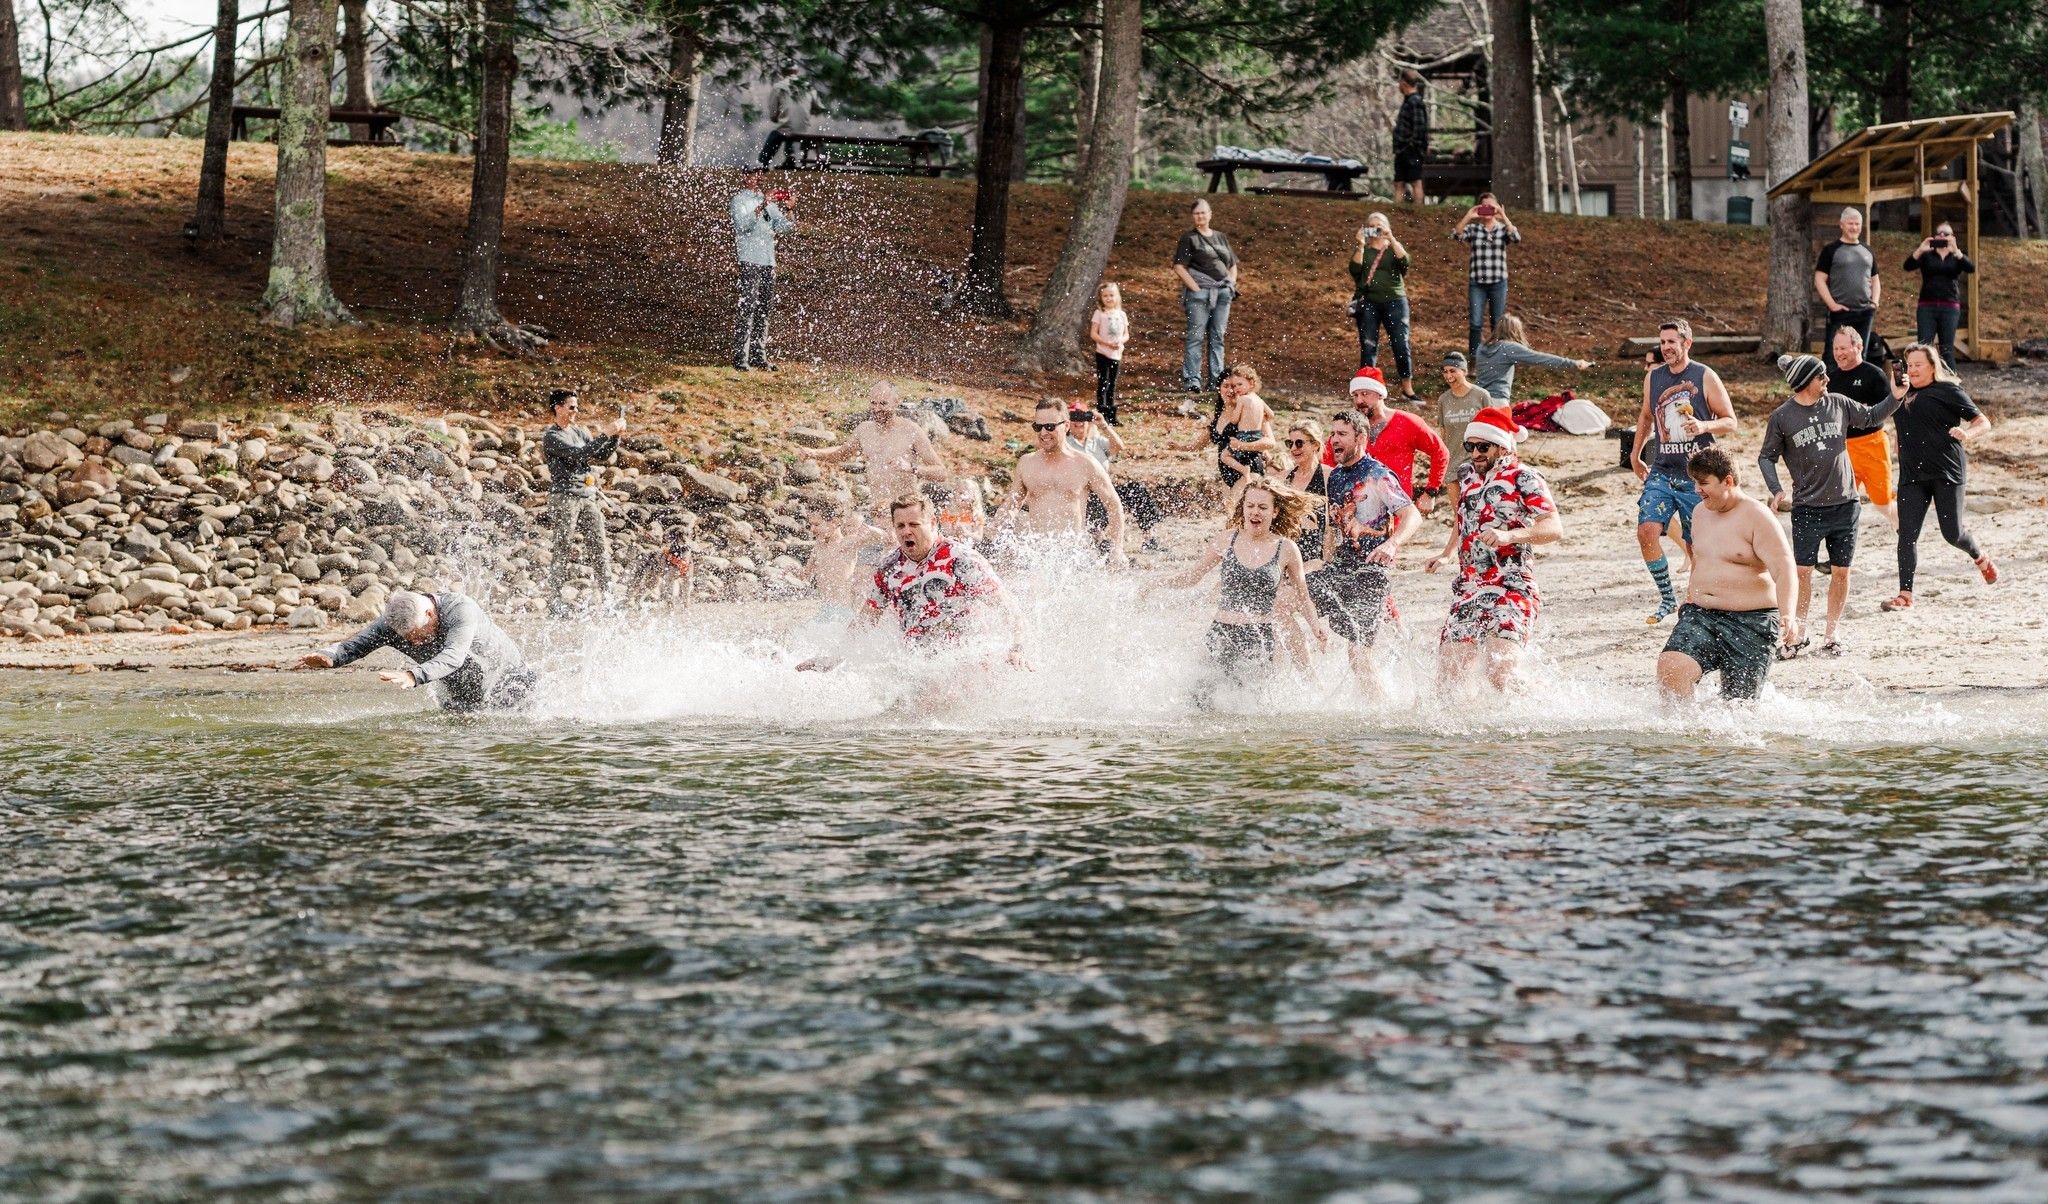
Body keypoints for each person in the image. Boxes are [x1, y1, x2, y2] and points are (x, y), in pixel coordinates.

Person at [1755, 353, 1901, 657]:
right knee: (1803, 572)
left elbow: (1871, 416)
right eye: (1822, 376)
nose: (1828, 380)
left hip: (1846, 504)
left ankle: (1831, 635)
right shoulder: (1782, 416)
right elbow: (1766, 457)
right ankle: (1798, 634)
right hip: (1807, 508)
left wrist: (1896, 396)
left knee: (1841, 572)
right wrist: (1776, 489)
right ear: (1807, 381)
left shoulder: (1838, 403)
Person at [1424, 407, 1562, 691]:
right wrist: (1447, 554)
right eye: (1470, 447)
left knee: (1501, 674)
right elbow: (1463, 519)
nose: (1475, 454)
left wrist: (1510, 536)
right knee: (1447, 681)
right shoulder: (1467, 476)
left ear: (1502, 446)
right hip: (1469, 588)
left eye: (1483, 447)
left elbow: (1553, 528)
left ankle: (1547, 705)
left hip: (1512, 585)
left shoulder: (1524, 477)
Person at [1143, 479, 1315, 705]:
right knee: (1199, 703)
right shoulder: (1227, 539)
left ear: (1275, 512)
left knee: (1250, 709)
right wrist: (1156, 583)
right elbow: (1192, 576)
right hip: (1220, 634)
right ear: (1243, 508)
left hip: (1258, 638)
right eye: (1250, 506)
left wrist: (1316, 627)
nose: (1255, 512)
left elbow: (1304, 597)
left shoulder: (1286, 548)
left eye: (1263, 507)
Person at [823, 492, 1029, 670]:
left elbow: (1006, 605)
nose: (906, 531)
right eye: (900, 526)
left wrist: (1017, 647)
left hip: (966, 660)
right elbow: (865, 620)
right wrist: (834, 657)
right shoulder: (889, 568)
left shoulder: (960, 559)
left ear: (932, 523)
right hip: (919, 665)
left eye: (914, 524)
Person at [1656, 449, 1800, 703]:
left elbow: (1784, 568)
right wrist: (1691, 595)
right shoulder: (1700, 512)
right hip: (1701, 615)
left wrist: (1788, 614)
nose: (1697, 489)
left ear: (1728, 481)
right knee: (1672, 668)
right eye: (1695, 482)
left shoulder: (1757, 516)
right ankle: (1684, 729)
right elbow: (1701, 558)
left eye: (1703, 483)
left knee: (1737, 709)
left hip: (1751, 623)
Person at [1632, 318, 1737, 624]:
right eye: (1662, 342)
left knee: (1696, 545)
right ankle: (1667, 597)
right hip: (1663, 469)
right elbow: (1646, 416)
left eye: (1671, 342)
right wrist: (1635, 454)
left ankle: (1693, 601)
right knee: (1646, 531)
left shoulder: (1704, 376)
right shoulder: (1654, 376)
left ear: (1687, 343)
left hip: (1698, 474)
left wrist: (1703, 425)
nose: (1666, 347)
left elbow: (1730, 421)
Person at [1306, 411, 1421, 685]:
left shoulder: (1377, 474)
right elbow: (1334, 529)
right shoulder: (1335, 476)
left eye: (1342, 434)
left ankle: (1381, 708)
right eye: (1332, 434)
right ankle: (1308, 683)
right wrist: (1324, 559)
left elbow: (1412, 515)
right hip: (1340, 568)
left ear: (1360, 438)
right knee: (1286, 599)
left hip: (1371, 574)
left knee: (1358, 657)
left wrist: (1392, 544)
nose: (1334, 440)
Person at [1882, 343, 1998, 611]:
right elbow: (1902, 421)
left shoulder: (1948, 391)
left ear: (1932, 367)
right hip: (1912, 474)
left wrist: (1967, 434)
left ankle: (1979, 556)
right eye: (1909, 365)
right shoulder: (1900, 393)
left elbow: (1983, 422)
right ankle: (1905, 595)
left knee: (1952, 533)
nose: (1912, 370)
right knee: (1906, 535)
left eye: (1918, 365)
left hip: (1946, 471)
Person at [297, 590, 536, 713]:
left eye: (418, 634)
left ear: (430, 614)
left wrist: (414, 675)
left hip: (510, 682)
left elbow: (453, 657)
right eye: (408, 639)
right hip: (463, 691)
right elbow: (354, 646)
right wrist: (329, 657)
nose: (417, 643)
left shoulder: (461, 610)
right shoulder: (393, 623)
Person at [993, 400, 1128, 566]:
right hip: (1037, 556)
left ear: (1066, 426)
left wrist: (1116, 549)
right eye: (1038, 427)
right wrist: (995, 533)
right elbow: (1011, 505)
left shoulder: (1086, 464)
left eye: (1050, 427)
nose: (1043, 433)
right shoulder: (1026, 463)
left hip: (1073, 557)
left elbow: (1114, 505)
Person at [814, 381, 949, 518]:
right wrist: (812, 453)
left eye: (883, 404)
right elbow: (840, 454)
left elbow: (941, 473)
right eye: (873, 403)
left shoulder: (911, 431)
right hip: (878, 511)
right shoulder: (864, 430)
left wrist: (911, 468)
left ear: (896, 402)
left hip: (905, 513)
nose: (877, 409)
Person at [541, 388, 623, 608]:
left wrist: (615, 436)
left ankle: (608, 600)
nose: (575, 411)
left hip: (587, 497)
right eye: (571, 407)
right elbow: (580, 454)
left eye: (576, 407)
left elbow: (601, 455)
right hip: (564, 498)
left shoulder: (580, 432)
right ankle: (555, 601)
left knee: (599, 546)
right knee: (563, 547)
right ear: (558, 408)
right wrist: (606, 433)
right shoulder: (552, 437)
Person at [1348, 364, 1448, 515]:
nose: (1359, 400)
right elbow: (1329, 458)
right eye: (1355, 395)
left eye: (1364, 394)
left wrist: (1431, 492)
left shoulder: (1407, 422)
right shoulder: (1350, 426)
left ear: (1380, 394)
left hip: (1397, 511)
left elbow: (1440, 452)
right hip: (1359, 510)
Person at [1826, 326, 1899, 528]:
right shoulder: (1831, 379)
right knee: (1840, 502)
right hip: (1842, 448)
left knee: (1883, 502)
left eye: (1843, 348)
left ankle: (1904, 530)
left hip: (1873, 445)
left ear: (1858, 347)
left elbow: (1895, 407)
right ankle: (1840, 544)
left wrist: (1901, 436)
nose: (1838, 353)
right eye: (1835, 349)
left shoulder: (1874, 375)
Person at [1068, 408, 1164, 553]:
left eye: (1082, 417)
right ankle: (1100, 540)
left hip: (1105, 488)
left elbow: (1119, 446)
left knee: (1136, 490)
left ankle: (1149, 538)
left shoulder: (1096, 441)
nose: (1079, 422)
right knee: (1092, 499)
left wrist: (1103, 425)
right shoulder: (1066, 444)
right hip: (1083, 492)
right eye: (1074, 418)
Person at [730, 167, 796, 372]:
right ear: (745, 177)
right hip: (749, 260)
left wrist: (790, 209)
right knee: (747, 308)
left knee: (763, 310)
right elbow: (743, 226)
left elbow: (785, 228)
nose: (759, 178)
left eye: (761, 174)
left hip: (768, 261)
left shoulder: (769, 203)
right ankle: (741, 358)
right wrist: (762, 204)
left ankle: (759, 356)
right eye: (754, 174)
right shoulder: (739, 200)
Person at [1172, 198, 1239, 392]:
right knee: (1196, 336)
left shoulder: (1221, 237)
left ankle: (1217, 380)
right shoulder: (1189, 238)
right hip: (1200, 294)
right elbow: (1179, 266)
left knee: (1218, 336)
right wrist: (1195, 288)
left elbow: (1232, 264)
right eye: (1197, 213)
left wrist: (1231, 284)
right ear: (1193, 216)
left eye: (1203, 212)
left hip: (1223, 293)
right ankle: (1192, 380)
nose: (1200, 216)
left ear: (1210, 214)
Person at [1175, 364, 1275, 493]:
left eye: (1235, 386)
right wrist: (1179, 447)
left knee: (1238, 505)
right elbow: (1199, 445)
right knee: (1229, 506)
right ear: (1219, 389)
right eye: (1226, 386)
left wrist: (1243, 445)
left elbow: (1270, 442)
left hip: (1250, 471)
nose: (1232, 390)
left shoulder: (1250, 411)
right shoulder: (1217, 417)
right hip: (1227, 478)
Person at [1348, 213, 1416, 401]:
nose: (1376, 229)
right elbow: (1354, 270)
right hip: (1369, 302)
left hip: (1395, 301)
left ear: (1387, 227)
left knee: (1400, 343)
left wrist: (1391, 237)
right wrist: (1360, 244)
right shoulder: (1365, 250)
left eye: (1379, 225)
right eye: (1371, 225)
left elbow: (1405, 262)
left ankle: (1407, 389)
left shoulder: (1393, 248)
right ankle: (1365, 389)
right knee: (1368, 345)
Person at [1452, 192, 1521, 358]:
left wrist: (1503, 216)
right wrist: (1469, 216)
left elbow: (1516, 237)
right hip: (1477, 283)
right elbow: (1456, 235)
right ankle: (1475, 359)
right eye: (1484, 207)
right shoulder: (1474, 229)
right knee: (1475, 323)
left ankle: (1497, 357)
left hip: (1498, 282)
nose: (1488, 210)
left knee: (1497, 322)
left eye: (1491, 207)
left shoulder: (1503, 229)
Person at [802, 502, 889, 625]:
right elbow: (806, 574)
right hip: (824, 609)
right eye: (810, 525)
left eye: (816, 524)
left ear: (835, 522)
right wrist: (795, 572)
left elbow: (884, 536)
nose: (812, 529)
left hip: (843, 610)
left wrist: (871, 529)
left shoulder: (846, 543)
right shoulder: (818, 548)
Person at [1473, 314, 1591, 404]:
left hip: (1478, 400)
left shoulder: (1482, 347)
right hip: (1498, 401)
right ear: (1515, 331)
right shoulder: (1509, 348)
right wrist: (1573, 363)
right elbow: (1541, 358)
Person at [1903, 221, 1975, 369]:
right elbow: (1907, 266)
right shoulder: (1927, 255)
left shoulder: (1957, 256)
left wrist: (1956, 251)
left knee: (1947, 349)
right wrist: (1920, 250)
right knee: (1923, 347)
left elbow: (1970, 268)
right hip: (1927, 306)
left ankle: (1950, 380)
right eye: (1939, 233)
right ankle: (1925, 379)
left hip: (1950, 306)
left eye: (1946, 234)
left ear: (1952, 237)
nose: (1942, 236)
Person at [1814, 206, 1879, 355]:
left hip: (1865, 312)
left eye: (1857, 224)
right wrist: (1832, 305)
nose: (1854, 227)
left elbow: (1875, 280)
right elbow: (1819, 279)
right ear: (1841, 225)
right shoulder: (1830, 250)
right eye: (1850, 223)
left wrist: (1874, 302)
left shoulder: (1868, 250)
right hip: (1840, 312)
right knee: (1833, 355)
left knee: (1859, 356)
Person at [1278, 419, 1329, 562]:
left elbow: (1331, 527)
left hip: (1313, 554)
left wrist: (1326, 562)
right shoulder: (1282, 477)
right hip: (1285, 550)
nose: (1293, 448)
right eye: (1290, 443)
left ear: (1315, 445)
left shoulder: (1328, 476)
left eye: (1299, 443)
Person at [1434, 351, 1492, 455]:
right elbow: (1443, 434)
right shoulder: (1443, 399)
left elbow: (1492, 430)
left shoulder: (1481, 395)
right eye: (1445, 372)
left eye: (1452, 371)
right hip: (1452, 462)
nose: (1448, 376)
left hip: (1477, 461)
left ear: (1464, 371)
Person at [1089, 281, 1131, 424]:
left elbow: (1126, 334)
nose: (1109, 298)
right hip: (1102, 353)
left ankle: (1112, 416)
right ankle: (1102, 412)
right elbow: (1093, 334)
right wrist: (1106, 343)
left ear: (1117, 296)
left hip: (1116, 354)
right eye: (1105, 296)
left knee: (1112, 384)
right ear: (1101, 298)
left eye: (1111, 295)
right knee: (1103, 383)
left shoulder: (1122, 315)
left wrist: (1120, 342)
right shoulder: (1099, 313)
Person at [1391, 69, 1429, 206]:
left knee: (1415, 181)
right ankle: (1397, 209)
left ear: (1404, 83)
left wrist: (1412, 145)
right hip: (1402, 149)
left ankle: (1418, 210)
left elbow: (1420, 127)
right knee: (1399, 182)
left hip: (1411, 150)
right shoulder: (1408, 101)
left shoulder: (1415, 101)